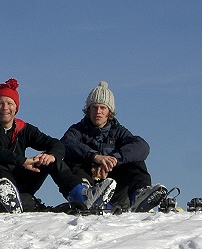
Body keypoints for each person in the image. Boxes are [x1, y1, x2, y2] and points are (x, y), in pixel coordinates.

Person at [0, 78, 116, 214]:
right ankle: (8, 197)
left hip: (18, 185)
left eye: (9, 103)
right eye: (0, 103)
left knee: (49, 160)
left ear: (16, 107)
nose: (5, 107)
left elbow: (57, 144)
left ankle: (81, 195)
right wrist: (22, 161)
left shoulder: (23, 128)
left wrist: (51, 155)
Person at [60, 81, 168, 213]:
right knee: (68, 157)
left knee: (134, 159)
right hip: (87, 179)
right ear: (88, 110)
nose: (98, 112)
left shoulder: (118, 132)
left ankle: (140, 194)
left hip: (115, 187)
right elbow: (65, 143)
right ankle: (85, 194)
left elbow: (142, 146)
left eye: (102, 108)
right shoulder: (77, 130)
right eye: (94, 107)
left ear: (109, 111)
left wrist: (114, 159)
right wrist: (95, 157)